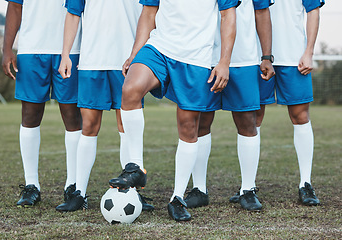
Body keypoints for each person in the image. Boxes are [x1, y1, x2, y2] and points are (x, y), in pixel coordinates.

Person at [108, 0, 238, 221]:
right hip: (159, 47)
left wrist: (224, 61)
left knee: (188, 128)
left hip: (195, 57)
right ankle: (135, 167)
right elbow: (149, 12)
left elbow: (228, 16)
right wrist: (135, 53)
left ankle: (177, 197)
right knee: (130, 89)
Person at [56, 0, 153, 212]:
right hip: (92, 59)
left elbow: (150, 12)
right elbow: (73, 14)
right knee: (88, 127)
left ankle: (132, 192)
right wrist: (66, 54)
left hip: (128, 60)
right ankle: (79, 193)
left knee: (126, 126)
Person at [184, 0, 275, 212]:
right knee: (201, 122)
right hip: (203, 57)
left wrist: (266, 56)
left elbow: (262, 12)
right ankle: (199, 189)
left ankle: (248, 189)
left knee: (247, 122)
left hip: (244, 58)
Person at [2, 0, 82, 207]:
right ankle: (31, 186)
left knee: (72, 116)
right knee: (30, 116)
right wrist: (7, 49)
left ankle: (73, 186)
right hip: (31, 48)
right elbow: (15, 6)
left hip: (71, 48)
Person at [250, 0, 325, 206]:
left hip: (294, 56)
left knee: (300, 117)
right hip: (257, 56)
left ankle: (306, 183)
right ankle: (248, 187)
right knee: (253, 118)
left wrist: (309, 51)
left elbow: (313, 11)